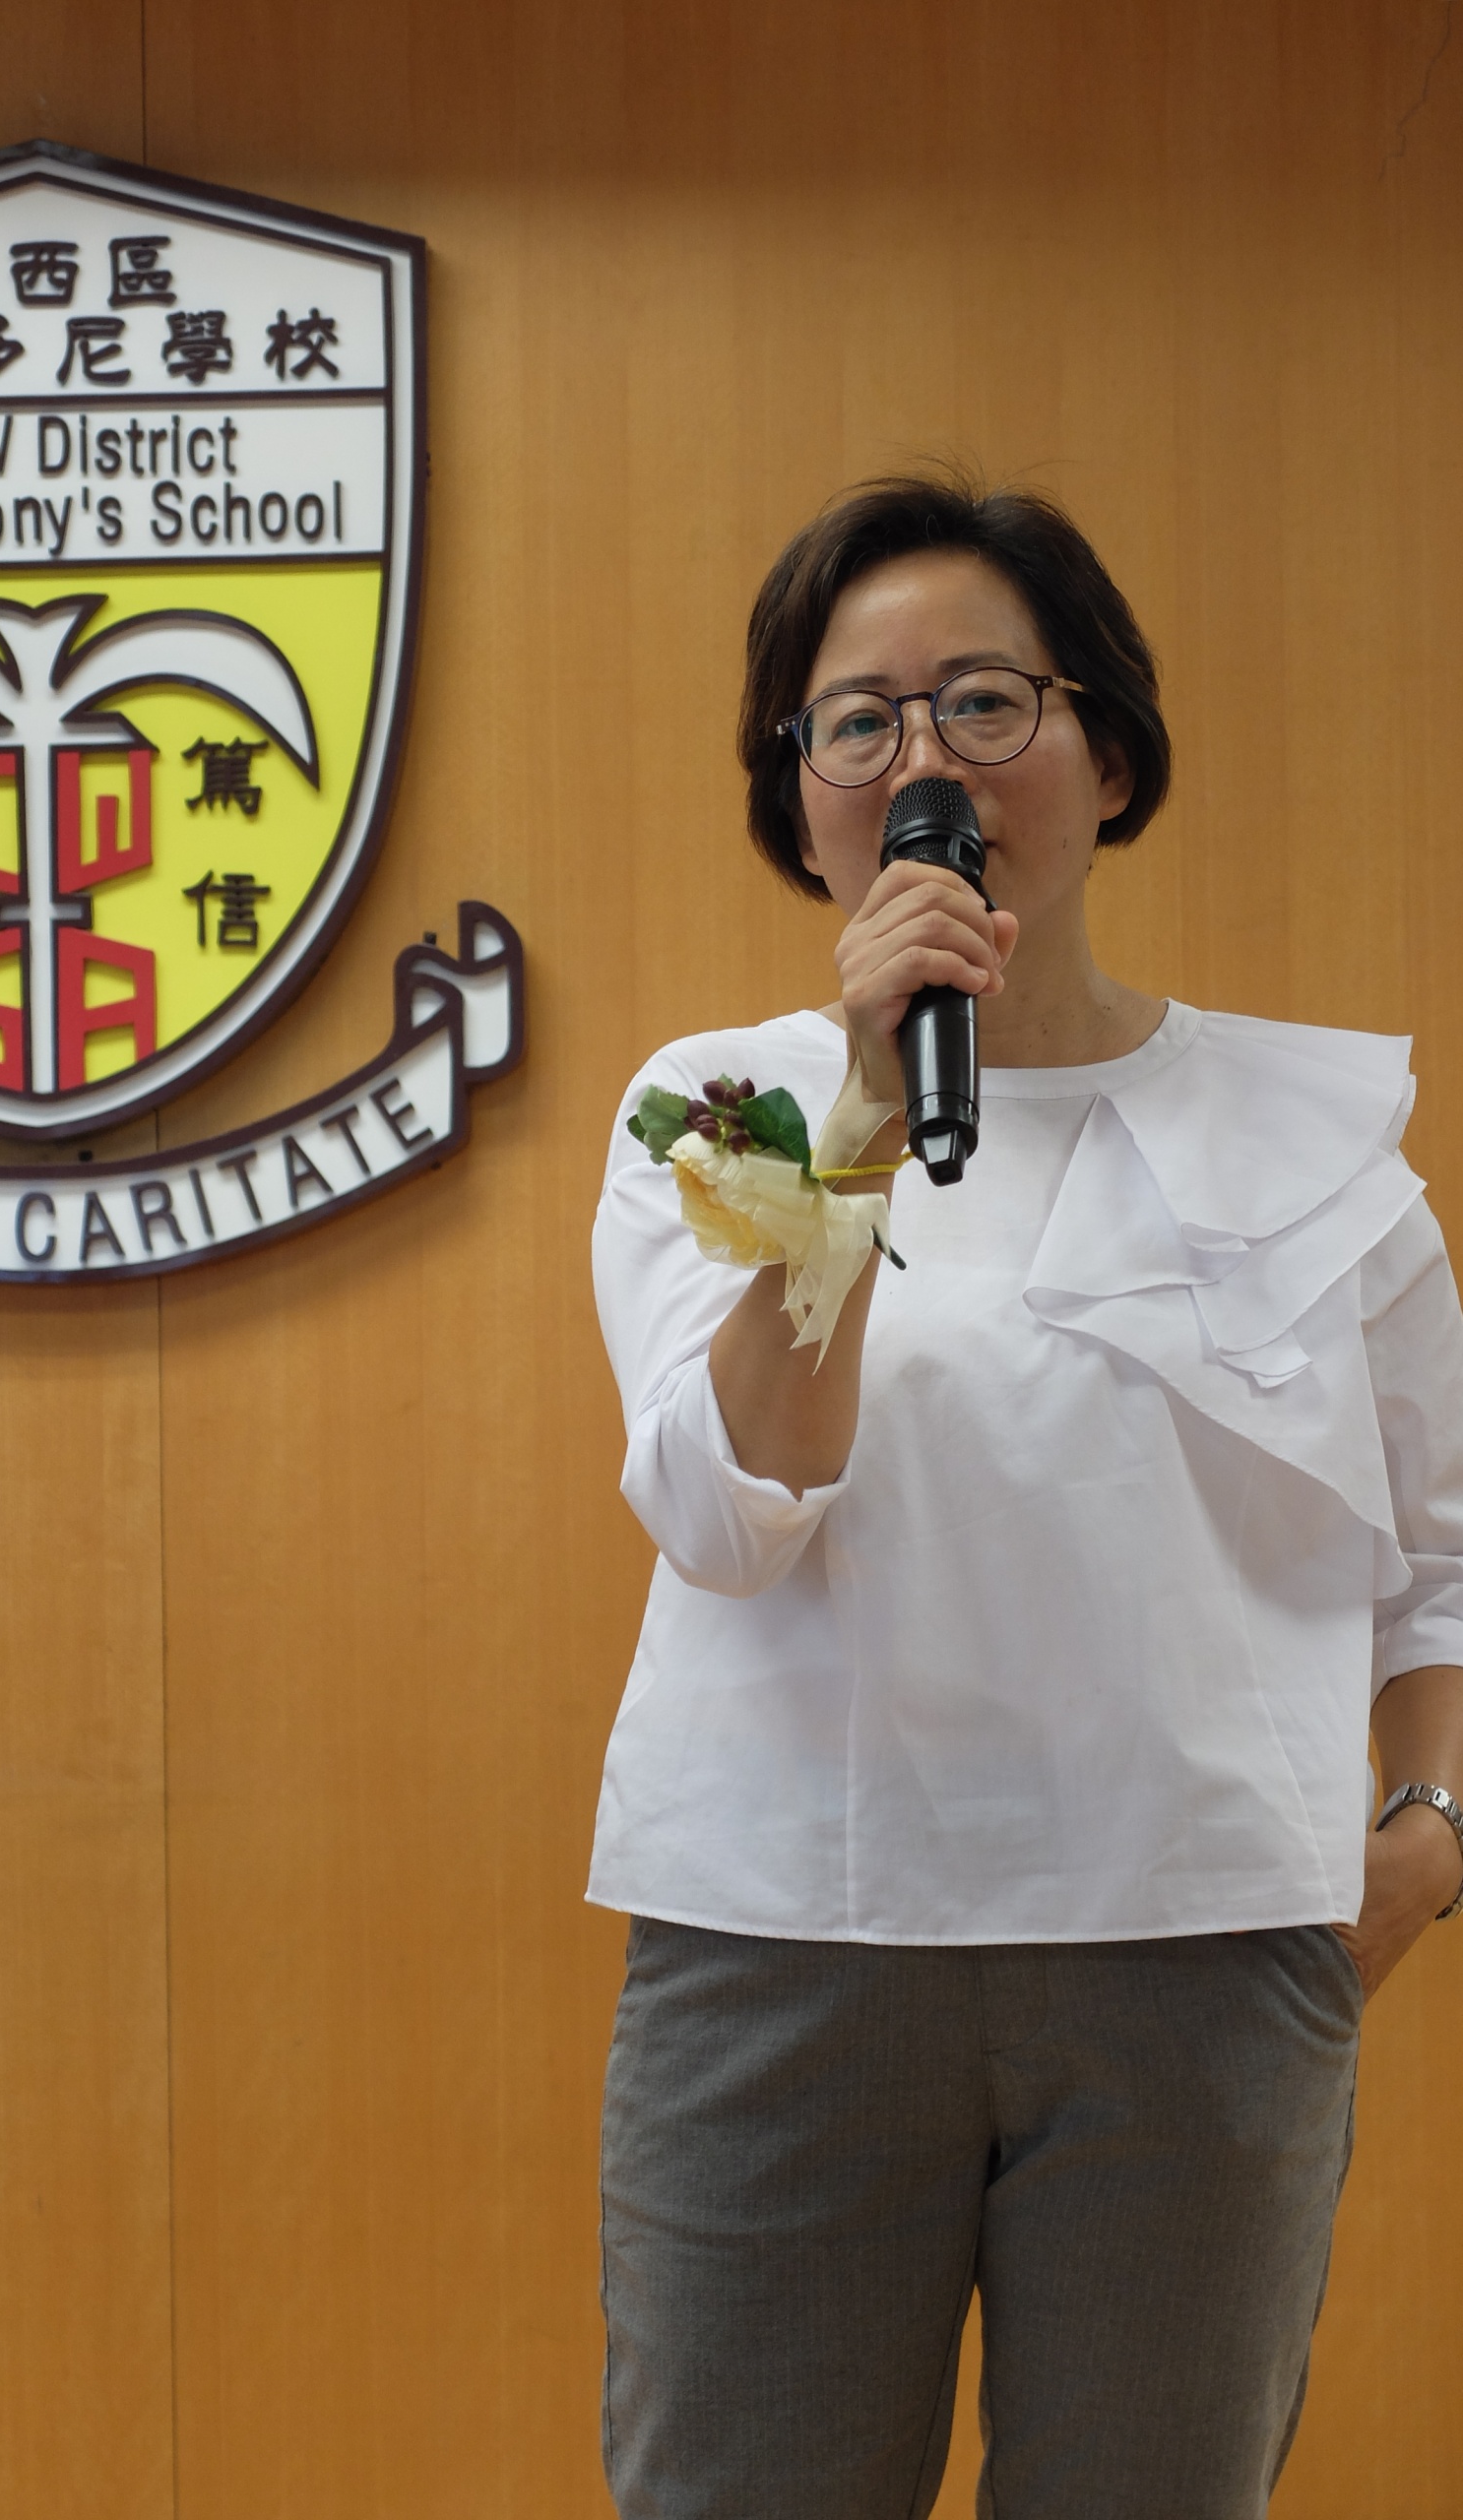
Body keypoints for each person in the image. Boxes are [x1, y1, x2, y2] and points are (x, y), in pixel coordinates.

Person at [588, 470, 1463, 2520]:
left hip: (1202, 1960)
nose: (925, 762)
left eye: (984, 700)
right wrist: (861, 1118)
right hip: (786, 1944)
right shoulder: (717, 1108)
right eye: (859, 720)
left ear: (1109, 754)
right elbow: (732, 1502)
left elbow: (1440, 1565)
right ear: (802, 798)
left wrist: (1425, 1842)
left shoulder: (1322, 1143)